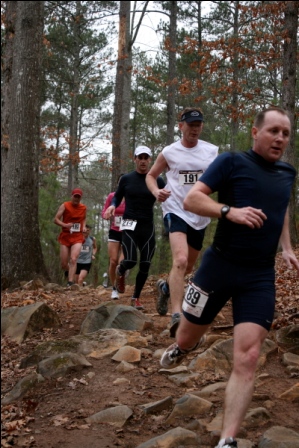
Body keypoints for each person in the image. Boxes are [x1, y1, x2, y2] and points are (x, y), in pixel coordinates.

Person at [159, 107, 299, 448]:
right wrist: (229, 211)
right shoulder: (232, 163)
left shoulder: (287, 173)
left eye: (286, 133)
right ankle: (179, 347)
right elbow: (192, 199)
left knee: (248, 356)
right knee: (189, 336)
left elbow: (281, 208)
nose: (280, 138)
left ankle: (227, 440)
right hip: (217, 268)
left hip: (259, 275)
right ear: (255, 132)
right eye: (274, 131)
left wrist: (287, 247)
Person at [146, 107, 218, 336]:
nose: (194, 129)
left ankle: (166, 287)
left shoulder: (211, 152)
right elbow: (150, 175)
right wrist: (156, 192)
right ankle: (177, 314)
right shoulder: (169, 152)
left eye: (198, 125)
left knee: (187, 267)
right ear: (181, 126)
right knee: (180, 259)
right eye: (191, 125)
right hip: (175, 209)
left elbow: (221, 178)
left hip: (199, 213)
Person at [104, 146, 165, 309]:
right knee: (130, 260)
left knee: (145, 263)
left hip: (147, 225)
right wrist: (112, 206)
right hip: (129, 224)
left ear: (150, 160)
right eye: (140, 157)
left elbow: (168, 197)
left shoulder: (157, 180)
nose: (143, 161)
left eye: (146, 157)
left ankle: (136, 297)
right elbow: (117, 197)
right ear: (135, 159)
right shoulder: (127, 179)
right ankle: (120, 270)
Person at [54, 188, 87, 286]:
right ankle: (70, 272)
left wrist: (84, 226)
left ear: (80, 198)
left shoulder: (83, 207)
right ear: (71, 196)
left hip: (77, 236)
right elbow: (55, 219)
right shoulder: (65, 205)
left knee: (73, 259)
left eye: (78, 197)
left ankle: (70, 282)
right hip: (65, 235)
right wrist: (65, 225)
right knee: (64, 263)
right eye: (75, 196)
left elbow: (84, 218)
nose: (76, 199)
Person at [102, 175, 126, 300]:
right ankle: (114, 288)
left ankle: (120, 280)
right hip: (114, 231)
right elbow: (104, 211)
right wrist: (106, 215)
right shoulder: (112, 196)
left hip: (128, 231)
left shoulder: (132, 197)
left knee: (121, 263)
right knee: (113, 261)